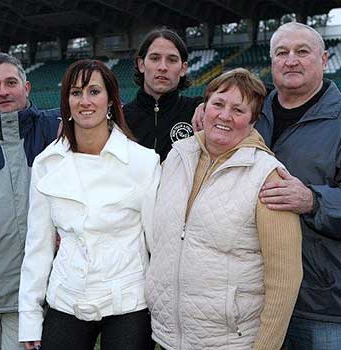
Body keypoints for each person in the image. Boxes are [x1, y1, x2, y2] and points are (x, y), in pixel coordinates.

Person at [145, 68, 303, 350]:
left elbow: (285, 278)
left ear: (253, 121)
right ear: (204, 108)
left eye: (238, 110)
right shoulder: (175, 158)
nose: (224, 116)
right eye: (218, 104)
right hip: (169, 337)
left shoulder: (268, 176)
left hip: (231, 341)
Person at [18, 59, 161, 350]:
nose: (85, 101)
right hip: (68, 297)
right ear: (66, 102)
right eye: (76, 92)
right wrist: (30, 318)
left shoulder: (144, 162)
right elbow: (37, 247)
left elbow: (157, 243)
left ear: (111, 100)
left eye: (94, 91)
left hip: (129, 301)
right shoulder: (47, 164)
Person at [0, 53, 60, 350]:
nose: (3, 91)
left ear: (26, 87)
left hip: (31, 297)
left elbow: (115, 111)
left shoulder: (55, 130)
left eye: (10, 82)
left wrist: (202, 107)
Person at [257, 22, 341, 350]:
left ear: (323, 59)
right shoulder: (250, 112)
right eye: (282, 52)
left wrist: (313, 200)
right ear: (272, 62)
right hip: (255, 294)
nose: (291, 59)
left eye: (302, 51)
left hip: (321, 301)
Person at [123, 28, 202, 161]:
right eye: (155, 58)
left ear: (183, 68)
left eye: (172, 60)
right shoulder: (121, 118)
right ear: (141, 64)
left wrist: (208, 107)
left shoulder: (197, 111)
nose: (163, 67)